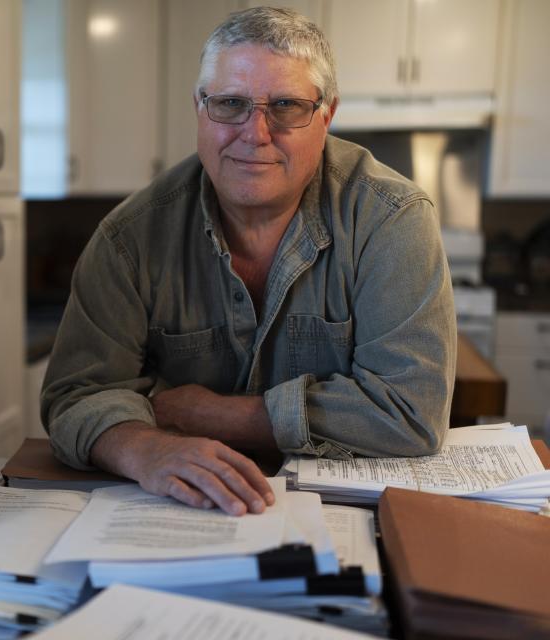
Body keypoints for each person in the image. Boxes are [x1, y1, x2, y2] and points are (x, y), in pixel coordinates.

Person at [40, 6, 456, 516]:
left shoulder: (392, 219)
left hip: (343, 520)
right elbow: (74, 396)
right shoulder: (130, 237)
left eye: (286, 106)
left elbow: (411, 412)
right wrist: (145, 448)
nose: (255, 133)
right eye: (231, 103)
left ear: (326, 115)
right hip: (173, 512)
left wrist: (214, 414)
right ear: (199, 106)